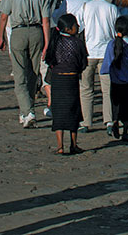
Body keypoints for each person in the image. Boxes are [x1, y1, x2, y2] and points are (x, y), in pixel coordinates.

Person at [0, 0, 52, 127]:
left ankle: (27, 111)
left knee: (20, 73)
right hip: (36, 32)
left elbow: (4, 16)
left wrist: (1, 37)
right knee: (33, 73)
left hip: (18, 31)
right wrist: (47, 42)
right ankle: (26, 110)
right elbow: (46, 20)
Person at [78, 0, 117, 133]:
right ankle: (109, 120)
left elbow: (81, 28)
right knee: (107, 89)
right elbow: (115, 31)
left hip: (89, 51)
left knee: (86, 88)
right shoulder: (111, 8)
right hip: (106, 52)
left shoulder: (86, 7)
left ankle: (87, 121)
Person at [45, 12, 87, 155]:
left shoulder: (55, 42)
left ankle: (60, 146)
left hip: (57, 80)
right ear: (69, 28)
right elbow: (83, 63)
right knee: (73, 111)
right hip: (71, 80)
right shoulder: (78, 43)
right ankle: (73, 144)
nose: (77, 27)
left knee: (59, 113)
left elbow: (49, 60)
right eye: (75, 25)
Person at [101, 15, 128, 142]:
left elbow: (107, 64)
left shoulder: (111, 44)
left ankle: (114, 121)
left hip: (115, 81)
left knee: (116, 105)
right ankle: (125, 132)